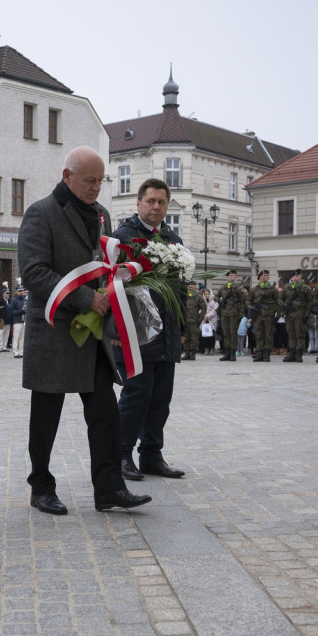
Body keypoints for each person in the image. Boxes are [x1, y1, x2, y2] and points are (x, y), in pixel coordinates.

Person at [18, 145, 151, 515]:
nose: (96, 187)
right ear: (67, 176)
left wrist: (118, 286)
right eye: (90, 180)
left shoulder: (103, 215)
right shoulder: (40, 213)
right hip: (56, 332)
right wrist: (84, 299)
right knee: (46, 416)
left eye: (100, 180)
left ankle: (109, 488)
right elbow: (34, 272)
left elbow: (106, 265)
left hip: (92, 336)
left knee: (105, 413)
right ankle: (41, 486)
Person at [112, 178, 187, 482]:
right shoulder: (123, 238)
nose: (156, 207)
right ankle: (120, 454)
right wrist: (117, 329)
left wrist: (181, 326)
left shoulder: (173, 240)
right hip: (134, 334)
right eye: (150, 201)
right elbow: (112, 287)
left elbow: (182, 287)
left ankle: (152, 455)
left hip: (166, 333)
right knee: (136, 394)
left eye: (162, 202)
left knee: (160, 398)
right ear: (138, 203)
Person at [247, 269, 281, 362]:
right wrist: (251, 308)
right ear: (259, 278)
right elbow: (248, 301)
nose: (263, 277)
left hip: (269, 315)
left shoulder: (272, 289)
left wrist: (277, 315)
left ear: (268, 277)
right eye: (262, 275)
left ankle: (267, 353)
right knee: (258, 334)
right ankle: (259, 352)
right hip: (258, 315)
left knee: (268, 334)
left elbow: (278, 302)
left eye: (266, 275)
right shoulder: (254, 289)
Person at [280, 269, 311, 362]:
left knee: (299, 335)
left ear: (301, 276)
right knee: (291, 335)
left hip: (300, 315)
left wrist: (306, 314)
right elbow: (280, 299)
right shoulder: (287, 287)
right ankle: (291, 353)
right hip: (289, 315)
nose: (295, 278)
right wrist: (284, 305)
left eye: (297, 276)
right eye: (293, 276)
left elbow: (310, 302)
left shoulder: (305, 288)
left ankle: (299, 354)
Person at [216, 270, 246, 361]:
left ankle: (233, 353)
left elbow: (242, 302)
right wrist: (219, 300)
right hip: (224, 314)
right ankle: (227, 353)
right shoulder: (223, 287)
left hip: (234, 314)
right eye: (229, 275)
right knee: (225, 334)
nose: (230, 277)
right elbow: (215, 296)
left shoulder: (238, 288)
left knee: (233, 334)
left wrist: (240, 315)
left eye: (232, 275)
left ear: (236, 277)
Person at [182, 280, 206, 360]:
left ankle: (193, 353)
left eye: (192, 287)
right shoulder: (183, 296)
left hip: (194, 321)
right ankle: (187, 353)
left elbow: (204, 308)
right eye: (189, 287)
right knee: (186, 338)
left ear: (195, 287)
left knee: (194, 338)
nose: (190, 288)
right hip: (185, 321)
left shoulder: (198, 297)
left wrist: (200, 319)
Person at [10, 284, 27, 358]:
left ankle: (21, 351)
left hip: (24, 321)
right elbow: (12, 311)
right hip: (17, 320)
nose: (21, 292)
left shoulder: (25, 300)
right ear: (16, 291)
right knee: (16, 337)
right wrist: (20, 311)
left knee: (22, 338)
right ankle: (15, 351)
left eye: (22, 291)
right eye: (19, 291)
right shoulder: (14, 300)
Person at [0, 286, 13, 352]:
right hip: (1, 320)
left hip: (8, 320)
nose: (8, 294)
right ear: (3, 294)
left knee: (6, 334)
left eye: (8, 293)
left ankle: (4, 347)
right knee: (1, 333)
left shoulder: (10, 301)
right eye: (6, 293)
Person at [201, 288, 218, 355]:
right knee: (205, 336)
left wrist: (208, 316)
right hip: (204, 320)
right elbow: (200, 309)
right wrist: (203, 315)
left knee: (211, 336)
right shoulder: (202, 300)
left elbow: (215, 310)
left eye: (208, 294)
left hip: (212, 320)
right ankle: (206, 348)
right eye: (205, 294)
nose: (207, 295)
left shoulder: (214, 301)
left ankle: (212, 348)